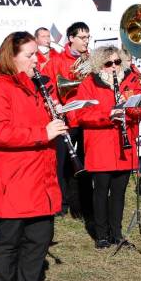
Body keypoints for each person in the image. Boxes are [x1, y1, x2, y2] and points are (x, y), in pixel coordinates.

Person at [0, 31, 66, 281]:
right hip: (14, 176)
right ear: (11, 57)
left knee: (38, 240)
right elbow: (0, 133)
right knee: (8, 242)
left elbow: (45, 121)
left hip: (41, 175)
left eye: (35, 54)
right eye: (29, 55)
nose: (35, 60)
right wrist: (43, 133)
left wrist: (61, 116)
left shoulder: (37, 86)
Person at [69, 47, 141, 248]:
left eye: (117, 62)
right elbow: (82, 115)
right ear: (99, 65)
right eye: (108, 63)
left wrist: (129, 106)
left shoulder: (131, 81)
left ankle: (117, 233)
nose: (114, 67)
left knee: (119, 192)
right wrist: (108, 115)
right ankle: (101, 234)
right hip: (100, 145)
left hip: (124, 145)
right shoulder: (89, 83)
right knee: (101, 191)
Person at [44, 21, 92, 218]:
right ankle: (61, 203)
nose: (86, 41)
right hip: (66, 117)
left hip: (86, 118)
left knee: (84, 164)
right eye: (82, 37)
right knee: (61, 164)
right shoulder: (56, 60)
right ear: (71, 38)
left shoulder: (91, 59)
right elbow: (46, 85)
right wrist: (55, 103)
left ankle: (81, 204)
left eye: (88, 37)